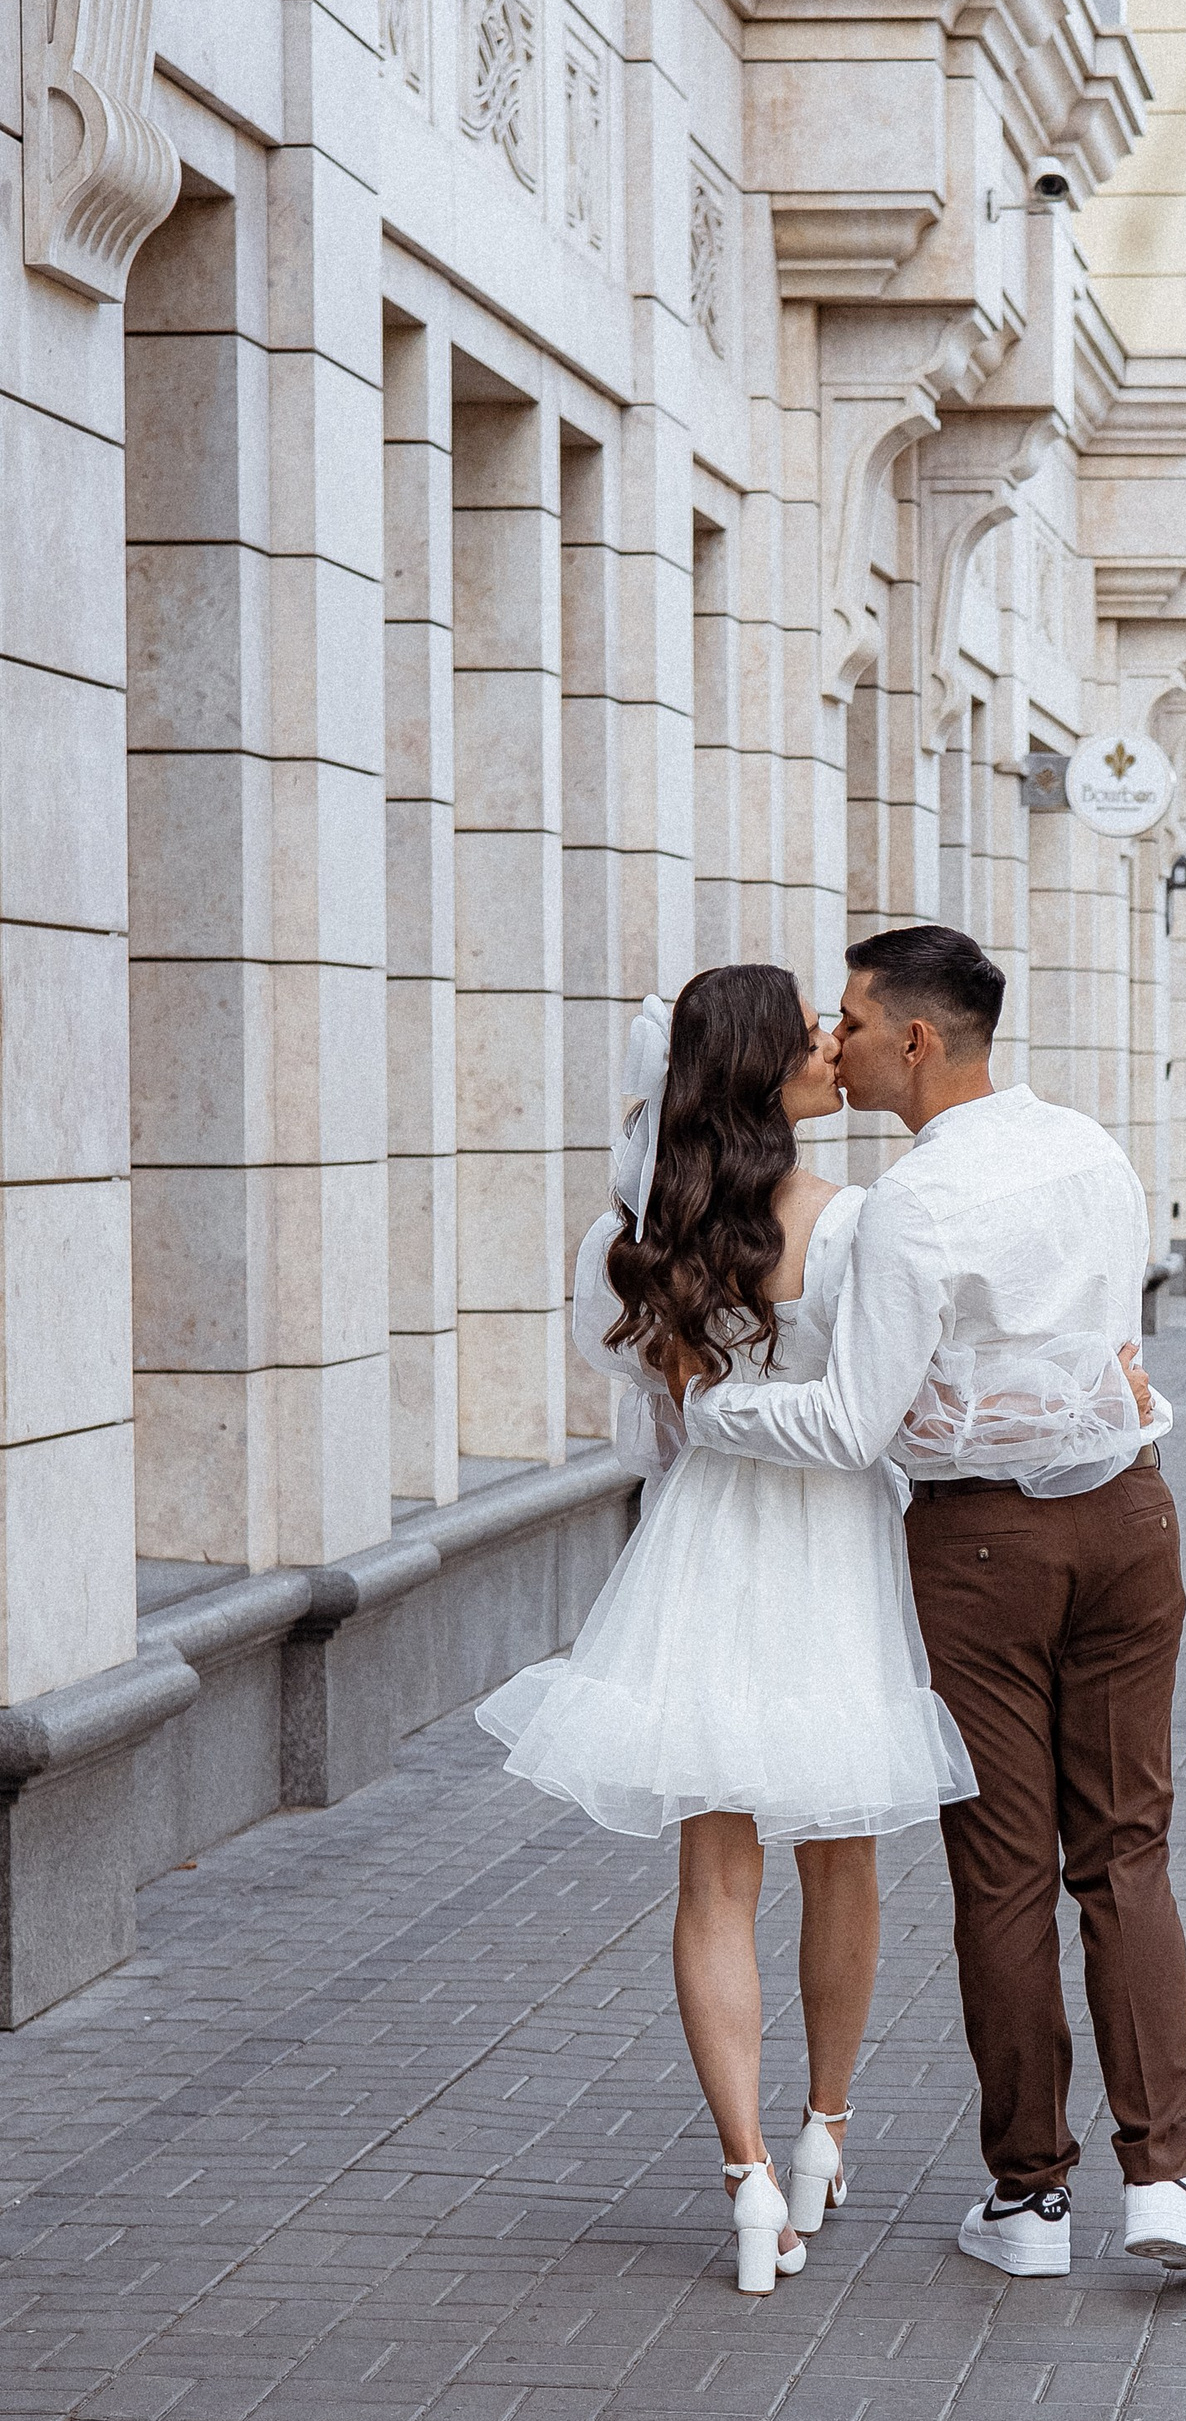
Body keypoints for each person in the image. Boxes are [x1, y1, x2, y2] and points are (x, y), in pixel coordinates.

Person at [680, 924, 1186, 2284]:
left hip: (983, 1547)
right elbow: (1109, 1353)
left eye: (857, 1023)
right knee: (1128, 1849)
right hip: (1130, 1518)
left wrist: (715, 1407)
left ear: (919, 1042)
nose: (840, 1044)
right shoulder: (1090, 1149)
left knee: (1003, 1867)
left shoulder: (918, 1205)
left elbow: (849, 1423)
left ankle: (1032, 2202)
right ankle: (1167, 2179)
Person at [478, 967, 982, 2294]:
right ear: (769, 1074)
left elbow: (652, 1424)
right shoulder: (859, 1222)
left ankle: (747, 2177)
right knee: (843, 1854)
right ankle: (824, 2127)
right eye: (810, 1034)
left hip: (702, 1548)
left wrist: (705, 1417)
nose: (833, 1046)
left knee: (715, 1878)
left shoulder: (647, 1232)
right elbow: (895, 1406)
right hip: (829, 1549)